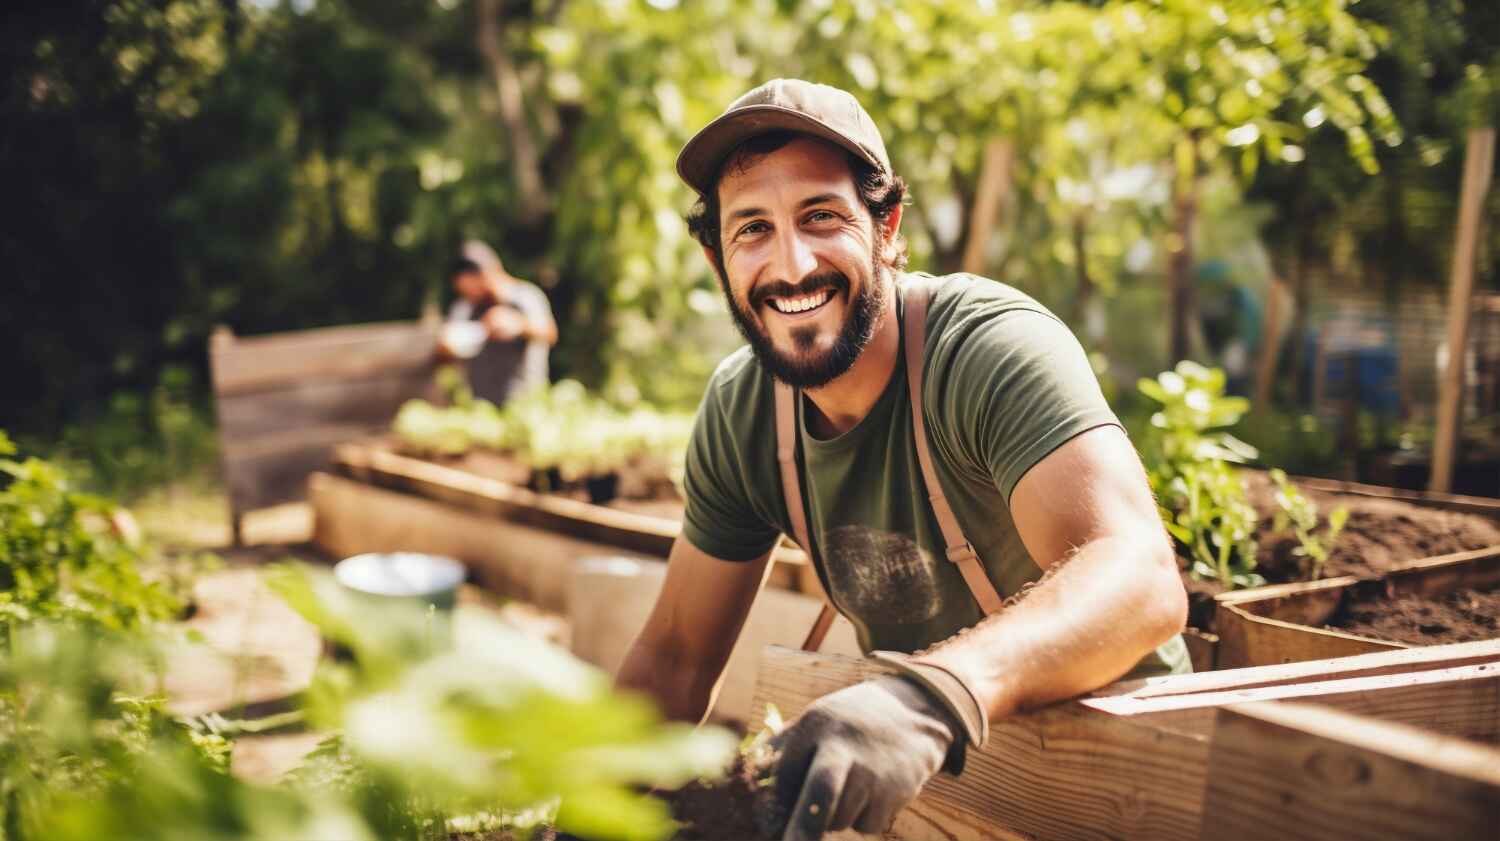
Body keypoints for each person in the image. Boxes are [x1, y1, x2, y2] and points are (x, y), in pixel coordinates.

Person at [615, 79, 1190, 840]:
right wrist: (582, 807)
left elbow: (1141, 578)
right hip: (943, 799)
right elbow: (677, 653)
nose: (791, 266)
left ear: (887, 226)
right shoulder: (745, 413)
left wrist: (928, 696)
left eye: (821, 216)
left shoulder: (987, 351)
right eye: (752, 229)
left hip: (1126, 783)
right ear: (717, 256)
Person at [439, 240, 558, 404]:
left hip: (524, 401)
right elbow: (448, 345)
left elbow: (550, 332)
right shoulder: (465, 307)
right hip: (480, 405)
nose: (473, 296)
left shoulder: (525, 296)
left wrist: (520, 325)